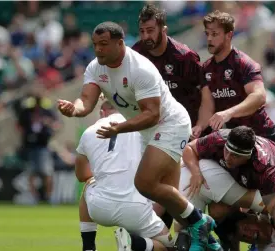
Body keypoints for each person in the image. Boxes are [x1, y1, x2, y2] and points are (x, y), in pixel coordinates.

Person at [58, 21, 218, 251]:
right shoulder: (96, 67)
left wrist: (119, 129)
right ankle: (211, 244)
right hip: (147, 129)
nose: (98, 49)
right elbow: (86, 98)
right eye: (95, 44)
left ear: (120, 43)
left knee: (145, 183)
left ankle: (201, 221)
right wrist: (75, 109)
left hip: (170, 123)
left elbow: (153, 115)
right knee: (170, 199)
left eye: (104, 44)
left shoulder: (139, 69)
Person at [182, 126, 275, 251]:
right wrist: (196, 172)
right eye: (227, 151)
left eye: (235, 156)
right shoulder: (219, 139)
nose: (227, 158)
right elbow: (189, 148)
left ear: (247, 156)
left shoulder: (264, 168)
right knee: (218, 211)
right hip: (233, 180)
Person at [75, 100, 173, 251]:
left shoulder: (89, 132)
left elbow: (82, 175)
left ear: (102, 112)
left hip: (100, 209)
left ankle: (88, 246)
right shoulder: (143, 128)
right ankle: (135, 244)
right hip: (136, 209)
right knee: (169, 247)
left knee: (90, 184)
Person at [133, 4, 213, 140]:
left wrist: (199, 127)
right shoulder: (136, 54)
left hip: (186, 129)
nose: (146, 36)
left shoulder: (185, 57)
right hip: (153, 129)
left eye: (150, 30)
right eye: (142, 31)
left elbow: (206, 96)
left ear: (164, 30)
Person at [201, 10, 275, 142]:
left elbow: (259, 96)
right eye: (207, 34)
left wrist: (229, 113)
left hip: (261, 135)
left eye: (214, 34)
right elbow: (207, 105)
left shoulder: (244, 63)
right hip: (234, 139)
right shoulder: (206, 68)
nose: (209, 38)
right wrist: (199, 126)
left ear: (229, 35)